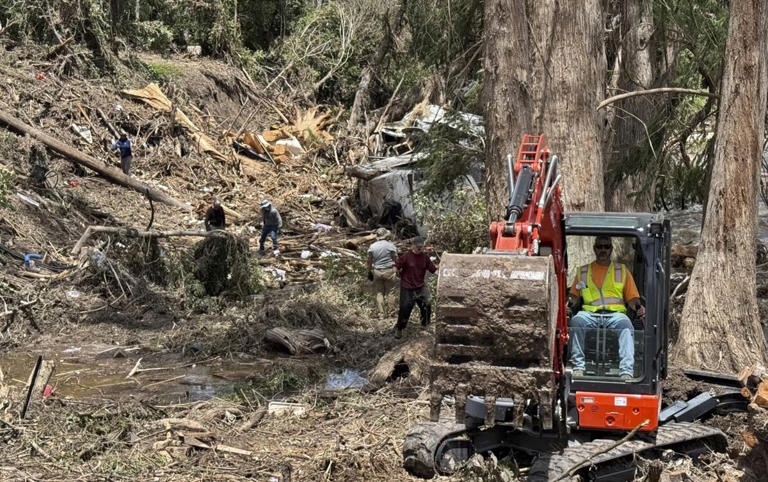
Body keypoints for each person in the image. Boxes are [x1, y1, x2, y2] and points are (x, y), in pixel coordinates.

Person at [568, 236, 646, 381]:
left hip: (616, 315)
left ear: (611, 249)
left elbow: (632, 298)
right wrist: (569, 305)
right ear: (594, 249)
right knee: (576, 321)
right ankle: (578, 367)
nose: (603, 250)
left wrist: (639, 308)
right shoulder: (583, 272)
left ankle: (626, 371)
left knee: (626, 325)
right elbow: (574, 297)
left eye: (606, 247)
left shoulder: (622, 271)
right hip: (589, 314)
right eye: (600, 247)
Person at [395, 237, 437, 338]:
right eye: (418, 247)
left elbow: (433, 270)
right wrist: (393, 271)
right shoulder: (406, 256)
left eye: (421, 247)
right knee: (405, 309)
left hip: (420, 287)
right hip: (407, 287)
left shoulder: (425, 258)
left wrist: (442, 275)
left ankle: (424, 326)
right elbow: (397, 266)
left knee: (427, 305)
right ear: (413, 246)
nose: (419, 249)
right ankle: (399, 328)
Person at [367, 228, 398, 319]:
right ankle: (392, 314)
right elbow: (396, 260)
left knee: (379, 293)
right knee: (390, 293)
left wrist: (369, 272)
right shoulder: (391, 246)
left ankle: (381, 315)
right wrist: (398, 269)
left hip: (377, 271)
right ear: (386, 236)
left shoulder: (372, 246)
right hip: (389, 271)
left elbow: (369, 261)